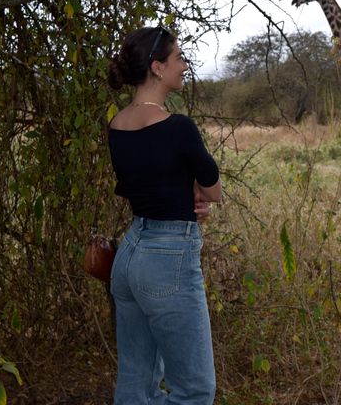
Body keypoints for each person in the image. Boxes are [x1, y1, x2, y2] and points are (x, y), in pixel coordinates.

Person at [106, 26, 221, 405]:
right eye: (178, 59)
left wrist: (183, 192)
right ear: (157, 68)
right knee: (194, 390)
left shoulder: (117, 125)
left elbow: (139, 187)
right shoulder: (179, 127)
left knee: (135, 387)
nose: (185, 66)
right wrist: (196, 193)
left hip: (129, 254)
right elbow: (214, 190)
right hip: (168, 258)